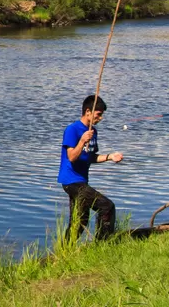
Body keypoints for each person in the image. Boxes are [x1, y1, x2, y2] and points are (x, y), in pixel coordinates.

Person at [58, 95, 124, 241]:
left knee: (80, 221)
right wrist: (82, 140)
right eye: (99, 114)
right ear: (88, 112)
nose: (100, 118)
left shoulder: (93, 132)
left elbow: (90, 157)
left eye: (102, 115)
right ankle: (102, 244)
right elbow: (72, 157)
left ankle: (64, 251)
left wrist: (109, 156)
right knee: (106, 206)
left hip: (82, 181)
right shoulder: (72, 130)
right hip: (71, 181)